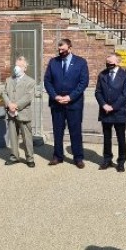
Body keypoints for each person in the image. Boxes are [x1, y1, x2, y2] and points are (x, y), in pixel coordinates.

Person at [43, 38, 89, 168]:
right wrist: (55, 96)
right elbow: (47, 81)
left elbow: (83, 82)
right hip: (56, 103)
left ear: (70, 48)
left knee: (75, 131)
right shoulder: (53, 62)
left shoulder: (80, 62)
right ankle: (57, 156)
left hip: (74, 103)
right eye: (59, 49)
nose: (60, 51)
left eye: (63, 49)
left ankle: (78, 158)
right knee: (58, 131)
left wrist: (70, 97)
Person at [94, 53, 126, 172]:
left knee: (121, 138)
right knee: (107, 137)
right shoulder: (102, 75)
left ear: (117, 62)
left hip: (119, 111)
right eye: (107, 63)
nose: (108, 65)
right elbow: (98, 92)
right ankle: (107, 159)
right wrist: (104, 104)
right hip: (105, 111)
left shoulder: (125, 75)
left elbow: (125, 94)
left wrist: (113, 107)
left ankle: (121, 161)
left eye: (111, 63)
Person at [2, 56, 37, 167]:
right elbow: (4, 93)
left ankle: (29, 158)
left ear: (25, 68)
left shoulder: (30, 81)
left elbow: (28, 97)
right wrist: (9, 104)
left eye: (20, 66)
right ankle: (14, 156)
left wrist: (16, 105)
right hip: (11, 113)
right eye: (16, 65)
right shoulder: (9, 80)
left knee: (27, 137)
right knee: (13, 136)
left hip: (23, 113)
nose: (16, 68)